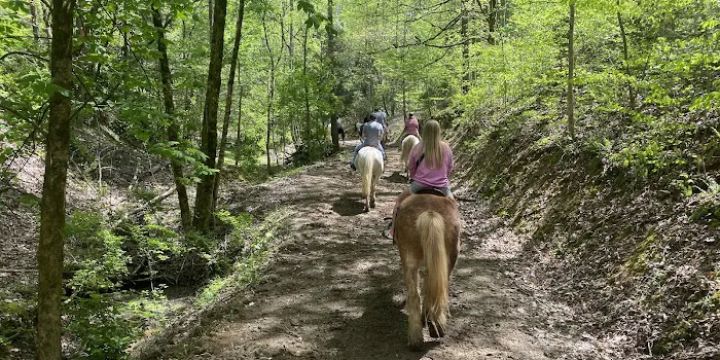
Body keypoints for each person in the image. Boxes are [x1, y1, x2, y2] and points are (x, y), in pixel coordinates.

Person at [385, 120, 454, 238]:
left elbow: (411, 166)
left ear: (424, 131)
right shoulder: (446, 148)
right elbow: (450, 167)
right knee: (453, 208)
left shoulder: (418, 147)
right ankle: (456, 236)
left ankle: (393, 232)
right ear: (438, 131)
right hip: (442, 186)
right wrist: (443, 178)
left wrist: (414, 177)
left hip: (420, 184)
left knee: (399, 203)